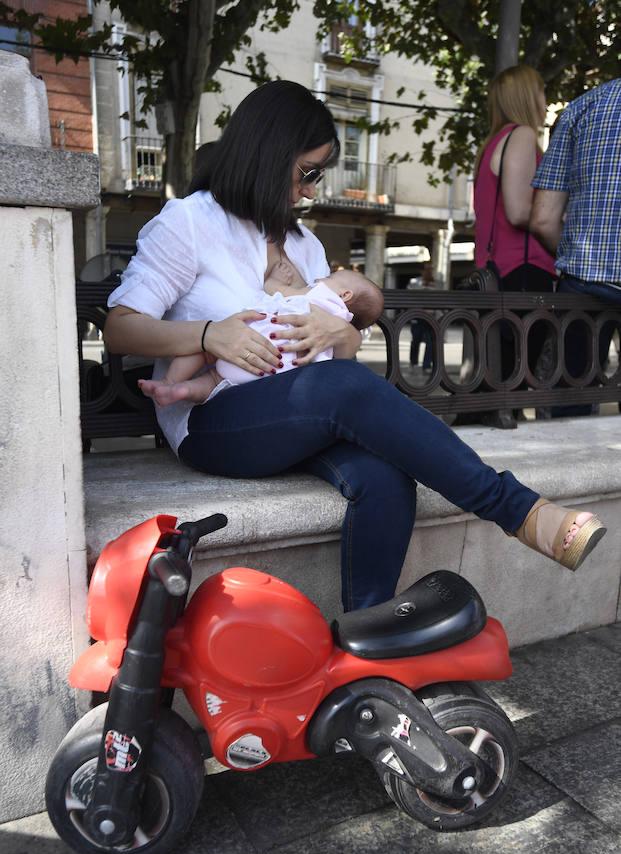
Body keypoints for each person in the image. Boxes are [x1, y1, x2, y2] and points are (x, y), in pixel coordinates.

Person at [104, 80, 606, 612]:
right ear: (269, 153)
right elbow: (121, 327)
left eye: (318, 176)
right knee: (339, 388)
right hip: (215, 420)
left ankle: (365, 637)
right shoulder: (190, 222)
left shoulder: (305, 244)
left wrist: (340, 334)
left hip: (301, 413)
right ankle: (518, 511)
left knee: (388, 475)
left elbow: (337, 351)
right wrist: (208, 334)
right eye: (308, 172)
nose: (312, 190)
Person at [139, 266, 383, 406]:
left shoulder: (320, 297)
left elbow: (277, 290)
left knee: (204, 352)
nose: (321, 279)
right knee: (215, 381)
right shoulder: (338, 323)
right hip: (273, 379)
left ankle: (171, 384)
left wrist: (274, 280)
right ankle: (186, 391)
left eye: (330, 278)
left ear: (345, 295)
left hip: (249, 343)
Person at [530, 78, 621, 415]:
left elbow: (542, 219)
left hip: (584, 284)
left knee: (572, 406)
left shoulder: (582, 108)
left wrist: (584, 259)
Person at [474, 64, 556, 402]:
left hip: (494, 274)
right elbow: (520, 210)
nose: (544, 99)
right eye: (540, 90)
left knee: (497, 383)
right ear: (526, 94)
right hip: (521, 274)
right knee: (509, 388)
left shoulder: (493, 142)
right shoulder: (522, 135)